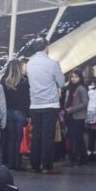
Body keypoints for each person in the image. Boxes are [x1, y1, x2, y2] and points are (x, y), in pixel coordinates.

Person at [26, 37, 64, 175]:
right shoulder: (52, 63)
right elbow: (61, 82)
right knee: (48, 135)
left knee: (36, 135)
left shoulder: (29, 64)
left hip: (35, 104)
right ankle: (46, 165)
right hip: (50, 103)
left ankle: (34, 164)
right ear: (46, 47)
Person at [1, 59, 30, 170]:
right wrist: (28, 115)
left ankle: (9, 163)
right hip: (20, 113)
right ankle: (17, 163)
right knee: (18, 139)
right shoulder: (24, 81)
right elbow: (26, 100)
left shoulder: (4, 81)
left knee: (9, 139)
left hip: (8, 113)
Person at [63, 69, 88, 166]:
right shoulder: (70, 88)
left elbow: (85, 102)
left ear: (80, 78)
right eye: (72, 77)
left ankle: (74, 159)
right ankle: (82, 158)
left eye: (76, 77)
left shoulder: (81, 88)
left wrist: (72, 109)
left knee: (75, 138)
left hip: (78, 117)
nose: (73, 79)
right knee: (77, 138)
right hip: (71, 116)